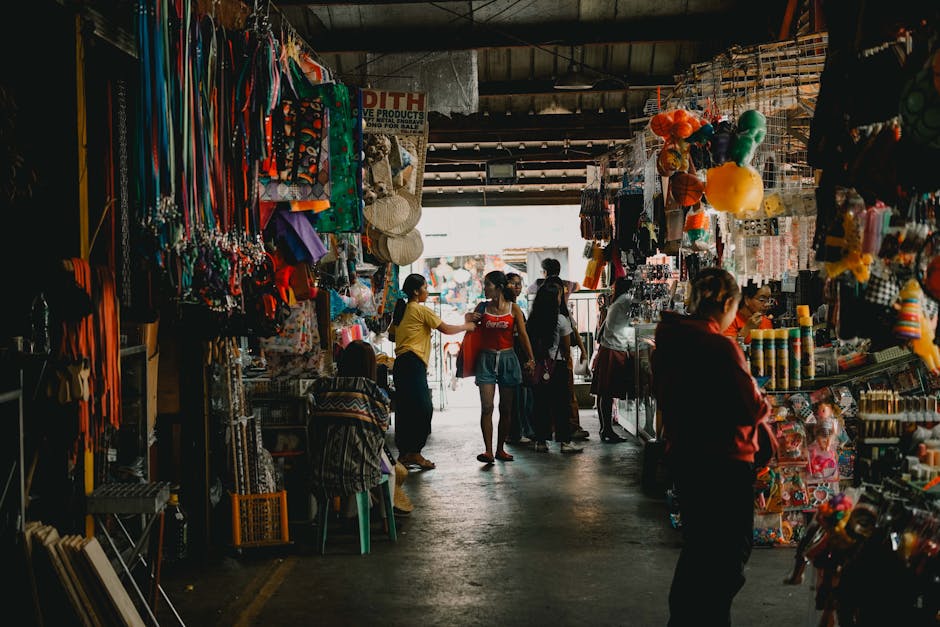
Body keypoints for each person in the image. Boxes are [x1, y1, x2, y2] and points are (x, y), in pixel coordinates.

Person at [651, 267, 772, 626]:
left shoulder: (672, 340)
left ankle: (685, 619)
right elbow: (751, 407)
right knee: (725, 560)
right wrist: (761, 400)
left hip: (689, 458)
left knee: (701, 550)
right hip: (724, 463)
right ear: (728, 303)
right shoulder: (720, 346)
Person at [307, 341, 407, 523]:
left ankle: (349, 515)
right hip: (360, 472)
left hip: (321, 470)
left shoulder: (323, 387)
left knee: (350, 455)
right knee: (388, 468)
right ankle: (385, 517)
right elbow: (381, 430)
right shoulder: (375, 393)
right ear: (371, 366)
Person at [389, 273, 477, 470]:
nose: (427, 291)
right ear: (415, 291)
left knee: (405, 409)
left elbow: (391, 336)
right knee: (423, 408)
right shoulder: (419, 310)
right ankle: (415, 453)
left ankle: (405, 453)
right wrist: (467, 326)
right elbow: (445, 329)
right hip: (413, 362)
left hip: (401, 363)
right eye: (425, 288)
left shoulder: (402, 311)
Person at [468, 270, 535, 464]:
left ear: (497, 288)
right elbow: (470, 327)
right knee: (487, 407)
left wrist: (531, 358)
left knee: (506, 408)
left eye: (487, 285)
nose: (484, 288)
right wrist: (468, 317)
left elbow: (523, 335)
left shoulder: (514, 309)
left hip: (508, 359)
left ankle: (500, 449)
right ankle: (488, 451)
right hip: (486, 360)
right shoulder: (482, 307)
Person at [526, 281, 584, 454]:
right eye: (559, 295)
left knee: (540, 404)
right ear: (554, 299)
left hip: (539, 366)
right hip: (556, 366)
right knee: (561, 405)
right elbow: (566, 347)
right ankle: (564, 442)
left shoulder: (533, 320)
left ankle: (541, 441)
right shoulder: (561, 320)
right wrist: (566, 361)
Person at [543, 275, 590, 441]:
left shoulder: (545, 315)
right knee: (565, 397)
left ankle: (555, 431)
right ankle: (566, 431)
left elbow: (573, 331)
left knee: (554, 398)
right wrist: (580, 351)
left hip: (548, 362)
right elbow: (569, 338)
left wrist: (583, 351)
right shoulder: (560, 315)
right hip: (559, 360)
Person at [590, 277, 634, 443]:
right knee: (607, 393)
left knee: (604, 393)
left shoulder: (619, 301)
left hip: (608, 348)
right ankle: (607, 430)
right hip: (614, 349)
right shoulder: (625, 300)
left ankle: (605, 430)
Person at [505, 272, 535, 445]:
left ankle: (519, 430)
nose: (516, 287)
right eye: (512, 283)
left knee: (521, 396)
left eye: (519, 283)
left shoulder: (516, 308)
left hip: (518, 353)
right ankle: (514, 432)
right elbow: (521, 335)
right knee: (516, 396)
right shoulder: (509, 308)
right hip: (513, 353)